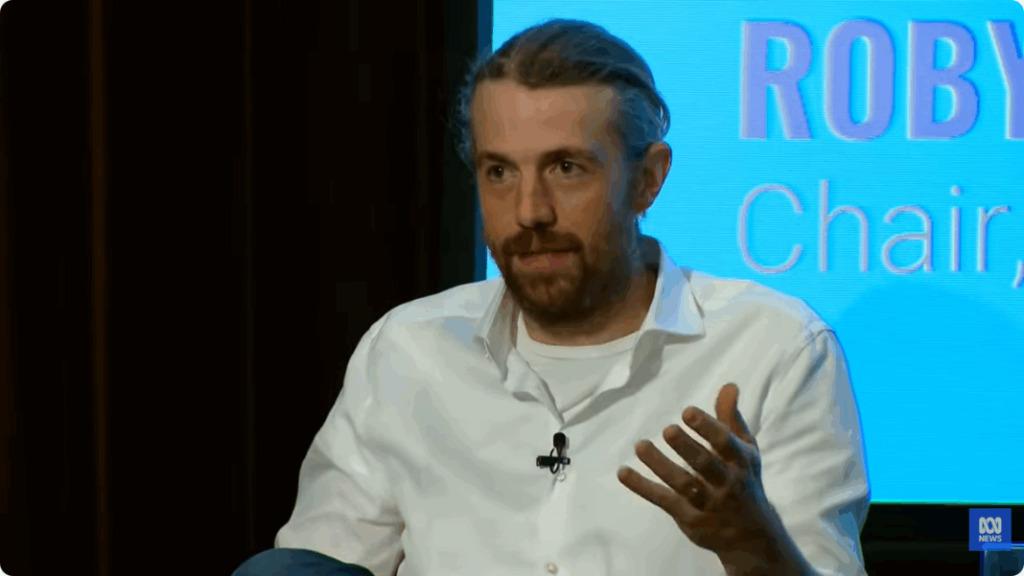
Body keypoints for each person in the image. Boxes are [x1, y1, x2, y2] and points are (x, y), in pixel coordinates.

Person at [234, 18, 870, 576]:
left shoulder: (773, 350)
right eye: (499, 172)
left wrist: (753, 547)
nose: (529, 211)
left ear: (647, 180)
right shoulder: (407, 350)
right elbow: (315, 565)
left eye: (567, 168)